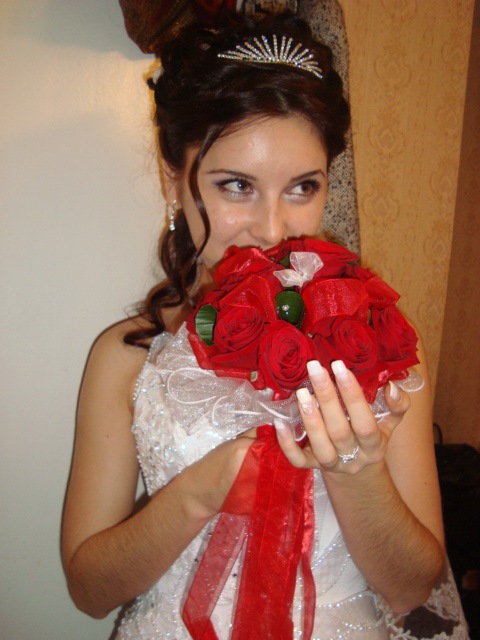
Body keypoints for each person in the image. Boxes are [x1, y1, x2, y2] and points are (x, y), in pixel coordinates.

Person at [61, 12, 468, 640]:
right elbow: (90, 592)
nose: (273, 229)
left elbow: (415, 590)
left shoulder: (378, 341)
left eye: (302, 187)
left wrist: (358, 475)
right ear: (174, 181)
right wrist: (197, 494)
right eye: (236, 186)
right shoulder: (126, 356)